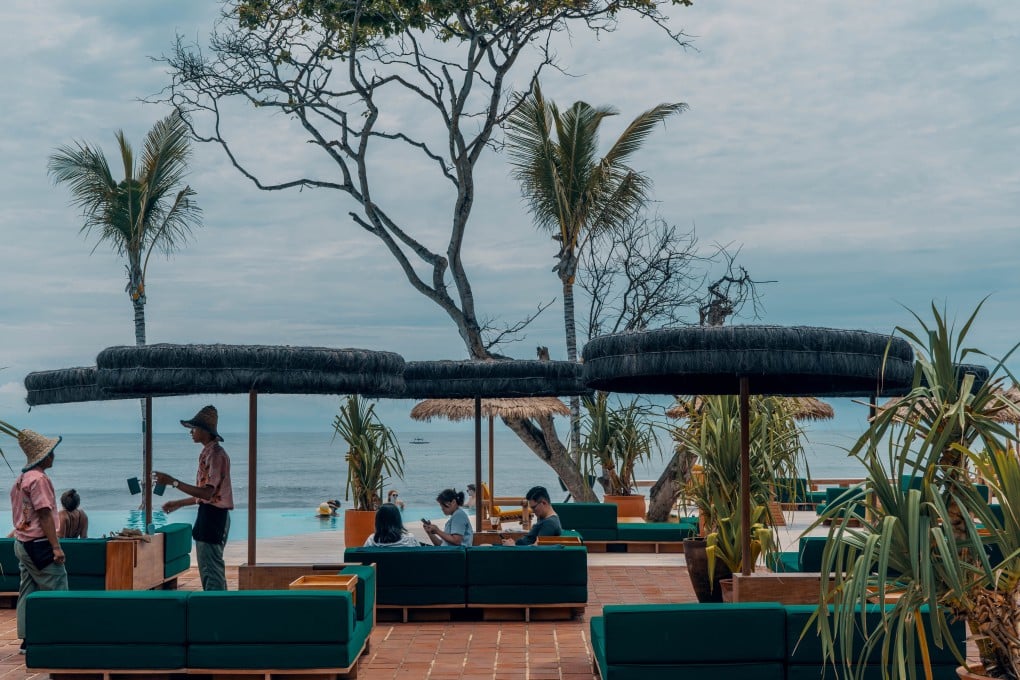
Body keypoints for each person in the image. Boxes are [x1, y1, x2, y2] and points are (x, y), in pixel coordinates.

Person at [155, 405, 234, 591]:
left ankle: (215, 612)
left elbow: (207, 493)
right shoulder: (210, 453)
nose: (191, 432)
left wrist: (173, 482)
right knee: (211, 570)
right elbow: (210, 495)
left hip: (213, 518)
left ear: (205, 432)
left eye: (194, 428)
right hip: (210, 514)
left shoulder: (215, 455)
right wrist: (179, 504)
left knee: (211, 573)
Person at [10, 429, 68, 653]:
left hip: (22, 542)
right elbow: (44, 514)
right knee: (57, 586)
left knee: (28, 589)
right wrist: (56, 547)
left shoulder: (21, 479)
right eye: (51, 453)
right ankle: (59, 634)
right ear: (44, 457)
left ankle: (28, 638)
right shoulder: (40, 479)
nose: (54, 456)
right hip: (40, 544)